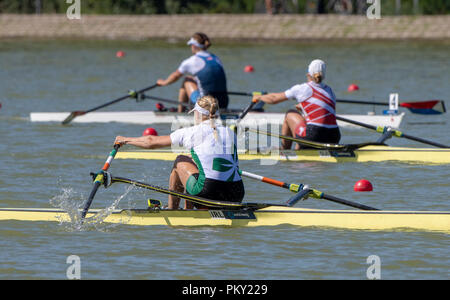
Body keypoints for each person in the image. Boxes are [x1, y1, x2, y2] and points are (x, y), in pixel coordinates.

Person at [114, 96, 244, 209]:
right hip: (236, 194)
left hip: (209, 193)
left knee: (180, 160)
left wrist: (125, 140)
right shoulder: (230, 132)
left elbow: (150, 142)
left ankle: (173, 209)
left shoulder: (192, 132)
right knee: (194, 165)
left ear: (197, 114)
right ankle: (192, 208)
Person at [253, 59, 340, 150]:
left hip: (314, 135)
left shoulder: (302, 88)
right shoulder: (330, 91)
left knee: (290, 113)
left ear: (308, 74)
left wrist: (259, 97)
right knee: (307, 122)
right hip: (334, 137)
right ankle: (299, 149)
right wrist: (304, 109)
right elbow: (323, 113)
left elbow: (274, 99)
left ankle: (285, 149)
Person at [156, 33, 229, 113]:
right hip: (223, 103)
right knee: (194, 79)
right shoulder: (216, 58)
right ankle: (191, 109)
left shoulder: (192, 61)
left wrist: (163, 82)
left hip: (206, 105)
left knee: (187, 80)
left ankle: (180, 112)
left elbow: (175, 76)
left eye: (191, 45)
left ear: (194, 46)